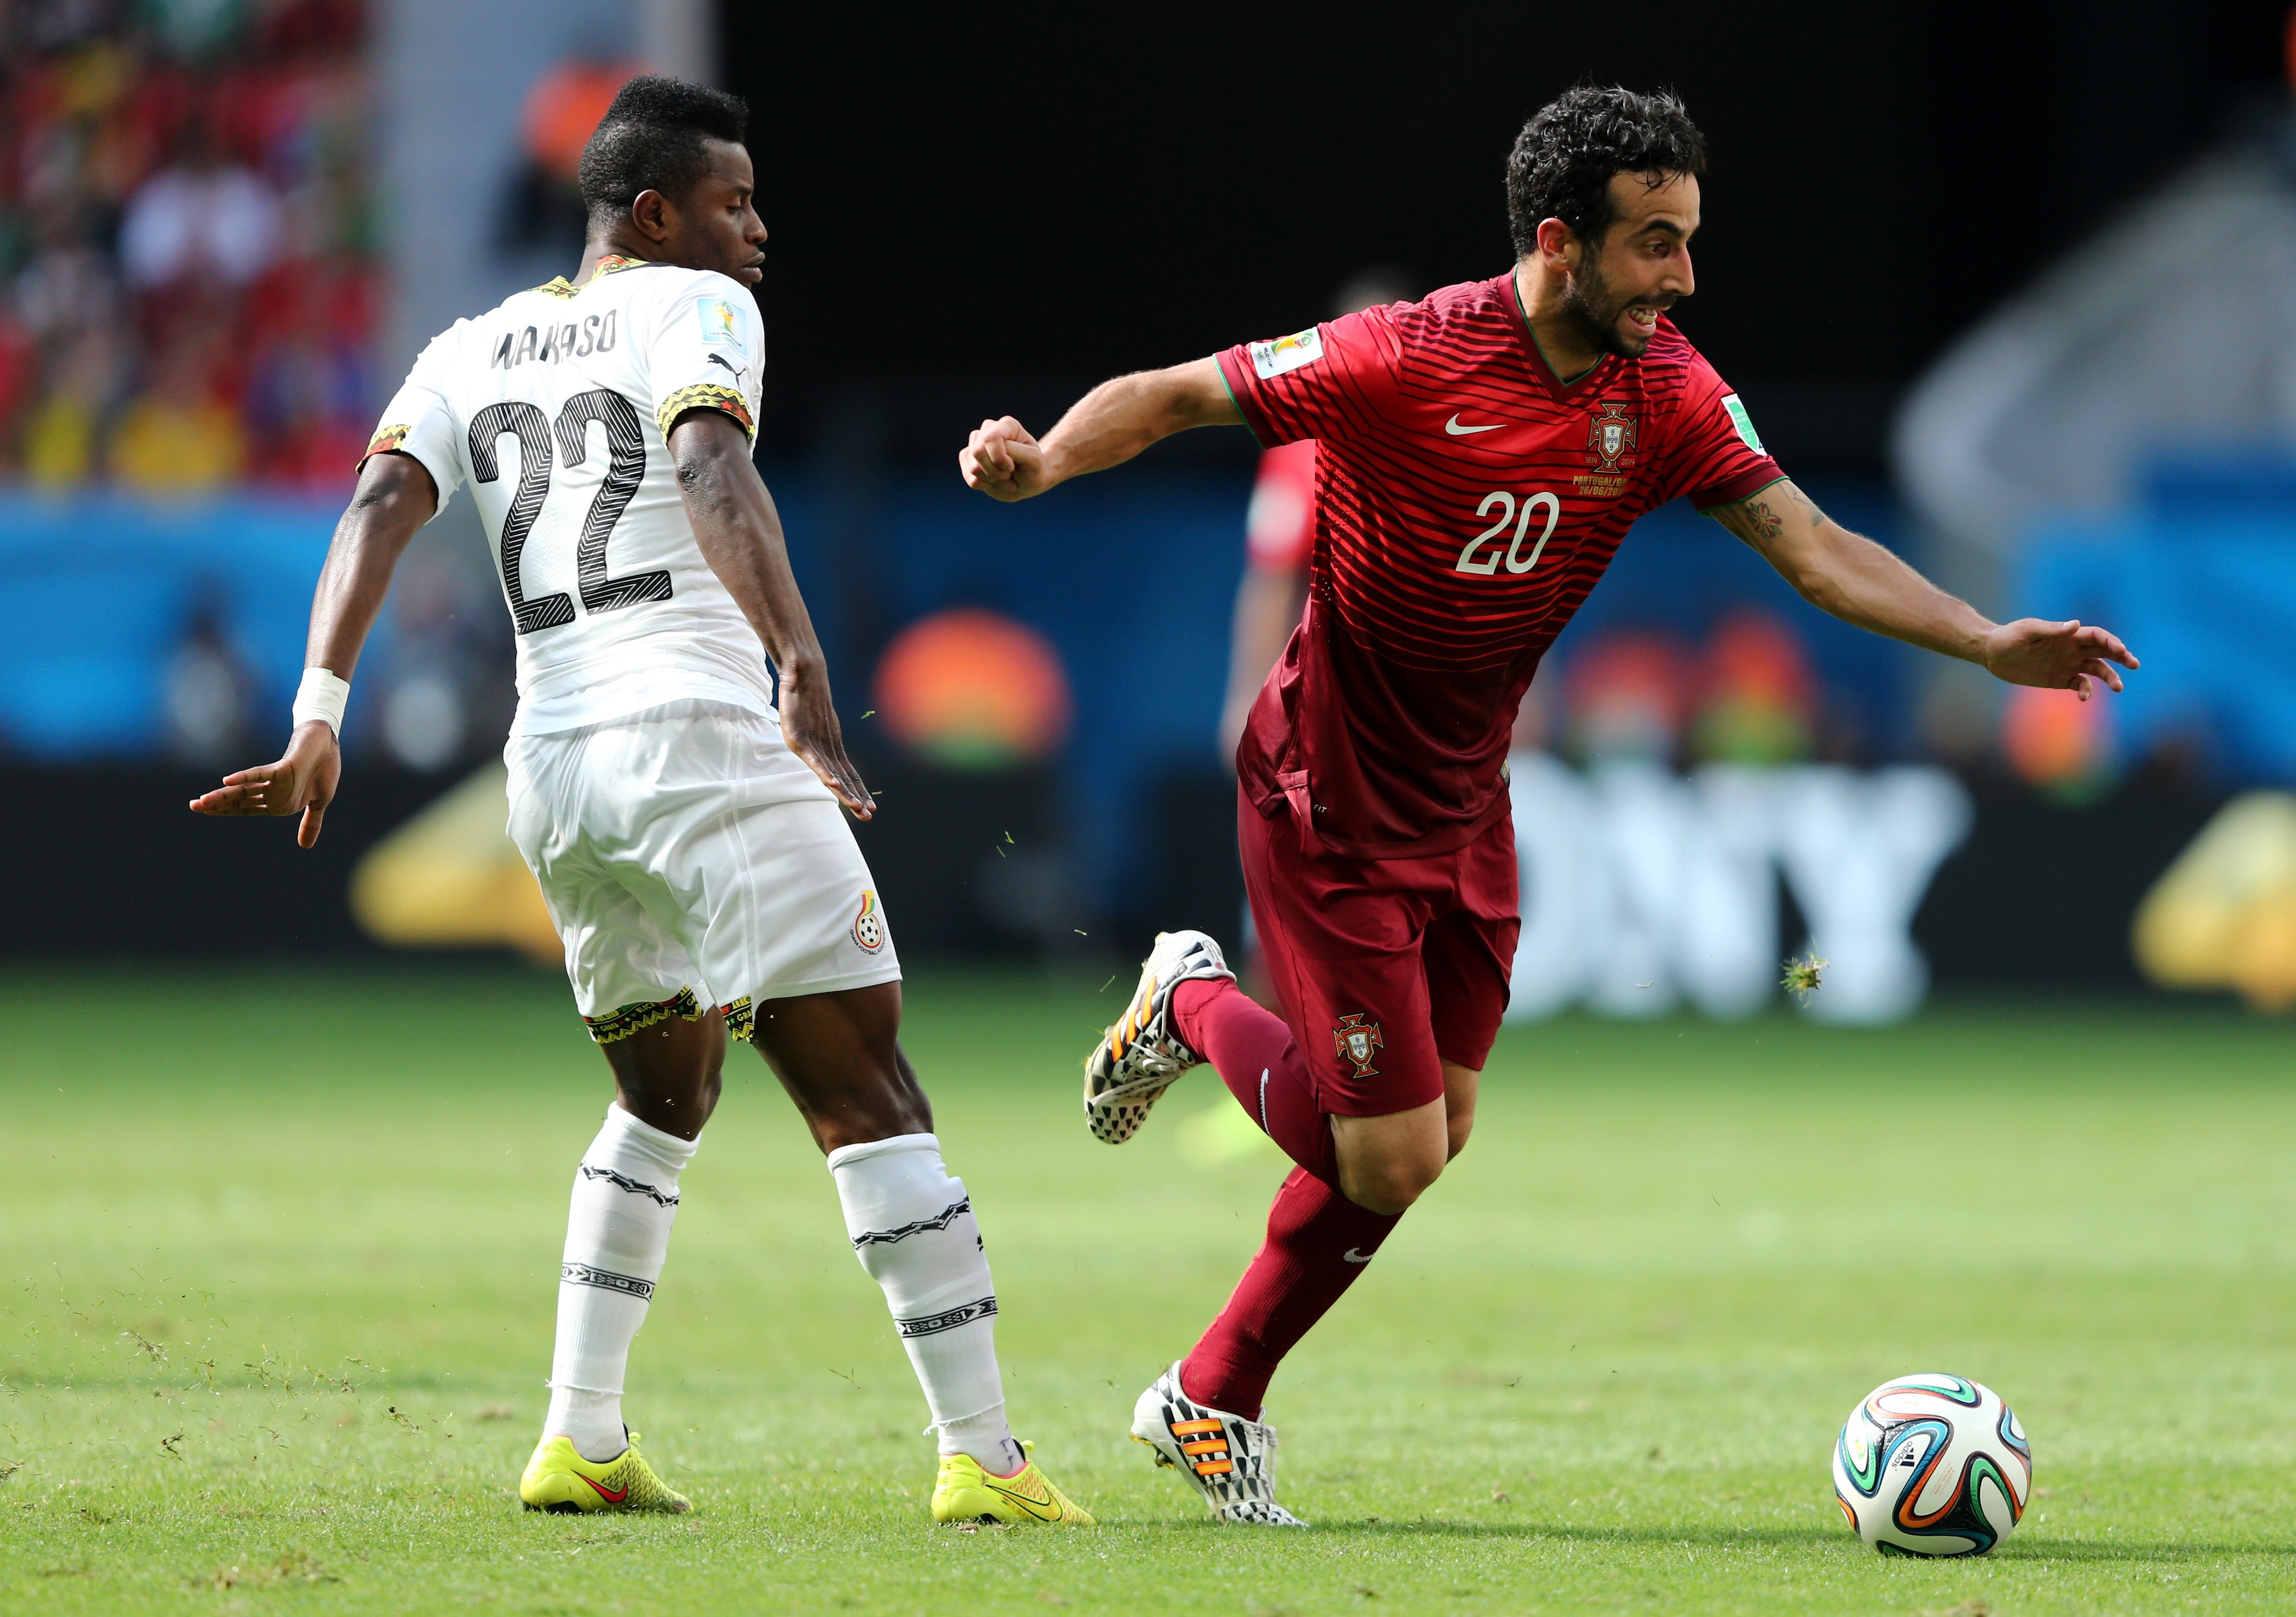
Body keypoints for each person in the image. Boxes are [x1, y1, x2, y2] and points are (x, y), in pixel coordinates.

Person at [959, 85, 2136, 1526]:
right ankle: (1196, 1008)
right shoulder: (1401, 354)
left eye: (1690, 242)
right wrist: (1044, 462)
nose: (1683, 280)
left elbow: (1816, 549)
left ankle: (1208, 1390)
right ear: (1559, 242)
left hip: (1468, 803)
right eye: (1656, 245)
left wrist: (1988, 642)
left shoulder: (1670, 393)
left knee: (1430, 1137)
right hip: (1330, 794)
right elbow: (1180, 393)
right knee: (1383, 1149)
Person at [192, 76, 1089, 1529]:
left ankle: (580, 1435)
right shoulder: (695, 310)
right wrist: (800, 665)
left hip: (555, 767)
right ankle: (982, 1456)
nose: (760, 230)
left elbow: (375, 508)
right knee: (867, 1084)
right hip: (697, 735)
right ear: (656, 213)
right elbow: (706, 459)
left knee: (662, 1093)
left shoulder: (468, 344)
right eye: (735, 203)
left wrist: (318, 713)